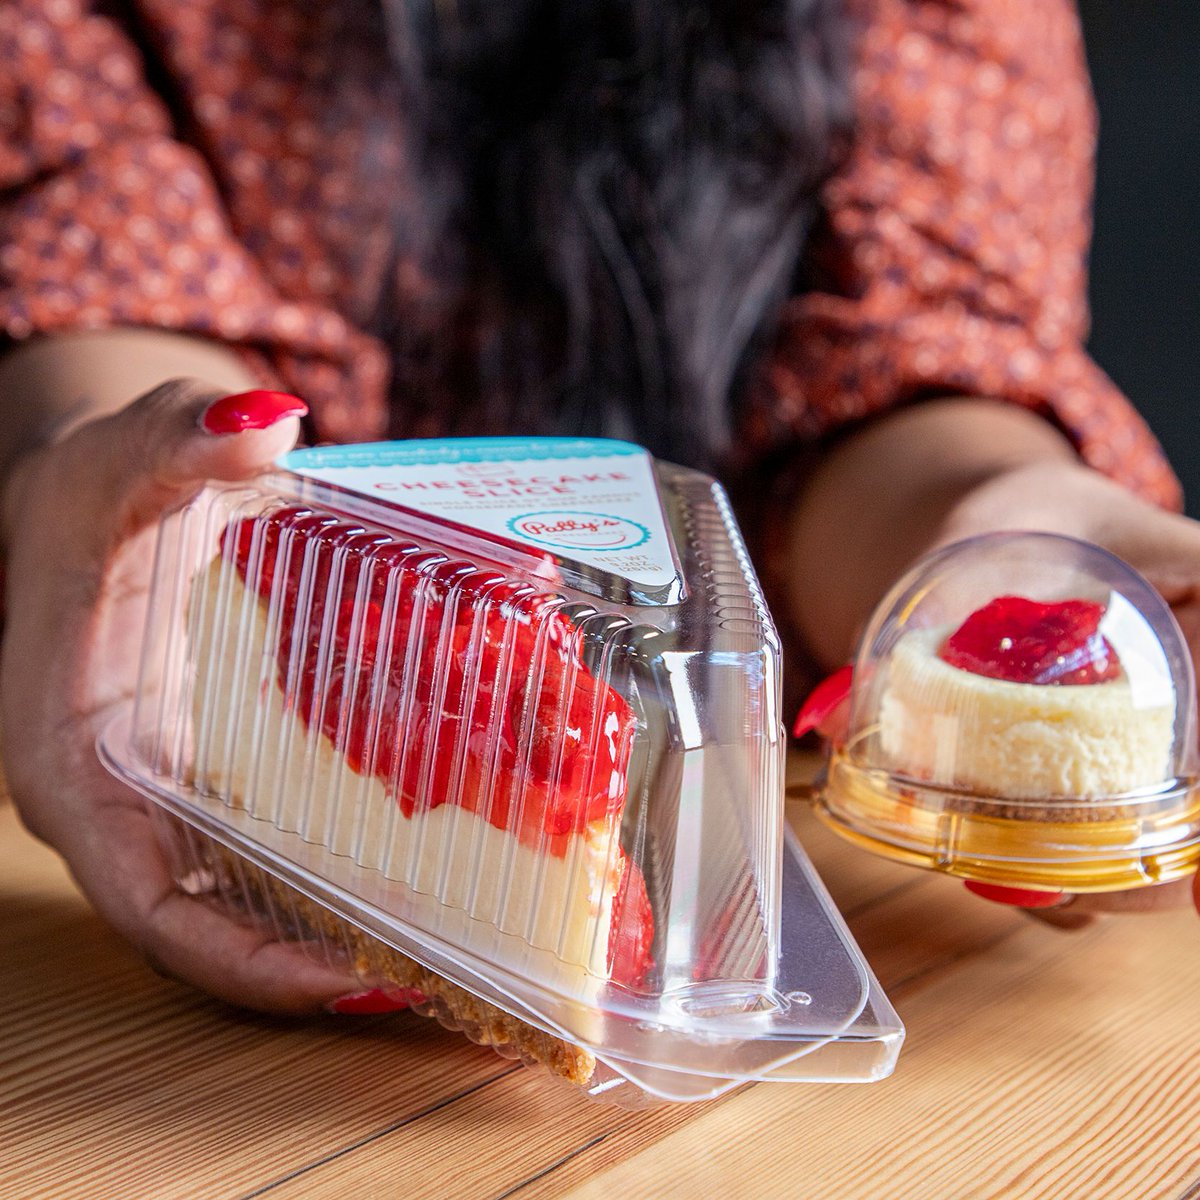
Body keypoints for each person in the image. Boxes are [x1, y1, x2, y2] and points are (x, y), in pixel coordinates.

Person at [1, 0, 1197, 1016]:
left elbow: (899, 356)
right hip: (205, 775)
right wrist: (119, 496)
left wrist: (993, 536)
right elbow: (100, 249)